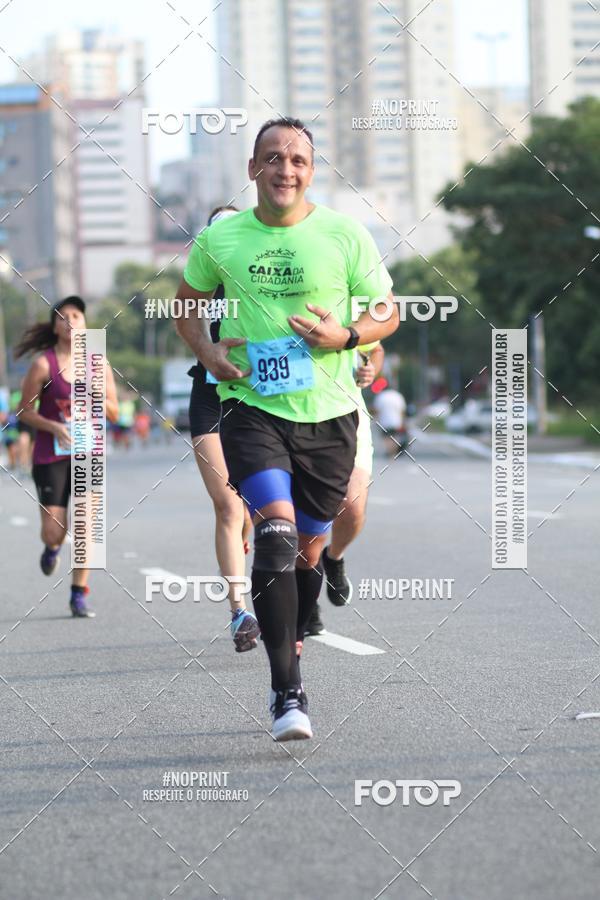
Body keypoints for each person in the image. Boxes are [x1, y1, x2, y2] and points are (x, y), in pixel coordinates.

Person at [176, 116, 398, 741]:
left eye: (298, 159)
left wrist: (346, 336)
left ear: (311, 171)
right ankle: (286, 691)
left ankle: (298, 630)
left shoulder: (344, 234)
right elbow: (186, 307)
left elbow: (387, 311)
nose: (285, 169)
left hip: (330, 416)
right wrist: (208, 353)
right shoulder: (221, 238)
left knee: (307, 550)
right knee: (273, 532)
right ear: (254, 169)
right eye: (272, 157)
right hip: (250, 408)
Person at [16, 296, 119, 617]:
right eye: (63, 317)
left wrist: (99, 394)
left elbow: (115, 413)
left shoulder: (99, 364)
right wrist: (53, 426)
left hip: (88, 454)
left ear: (85, 324)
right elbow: (23, 411)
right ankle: (52, 548)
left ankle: (78, 594)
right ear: (54, 327)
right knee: (54, 531)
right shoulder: (43, 365)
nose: (70, 321)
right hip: (51, 455)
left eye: (76, 315)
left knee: (86, 527)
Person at [187, 204, 258, 653]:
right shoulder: (200, 285)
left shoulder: (262, 280)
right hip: (209, 399)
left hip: (255, 399)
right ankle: (239, 612)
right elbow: (184, 323)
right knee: (229, 507)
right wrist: (208, 350)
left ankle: (240, 543)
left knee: (251, 510)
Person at [306, 341, 385, 634]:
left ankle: (334, 557)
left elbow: (375, 349)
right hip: (285, 413)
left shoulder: (347, 314)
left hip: (345, 415)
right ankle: (306, 600)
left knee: (352, 506)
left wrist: (371, 369)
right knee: (296, 517)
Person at [373, 385, 407, 457]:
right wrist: (402, 421)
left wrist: (377, 420)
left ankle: (389, 450)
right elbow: (402, 410)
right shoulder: (398, 396)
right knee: (395, 437)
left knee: (386, 437)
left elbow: (376, 410)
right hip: (396, 421)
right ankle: (393, 452)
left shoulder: (381, 396)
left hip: (384, 421)